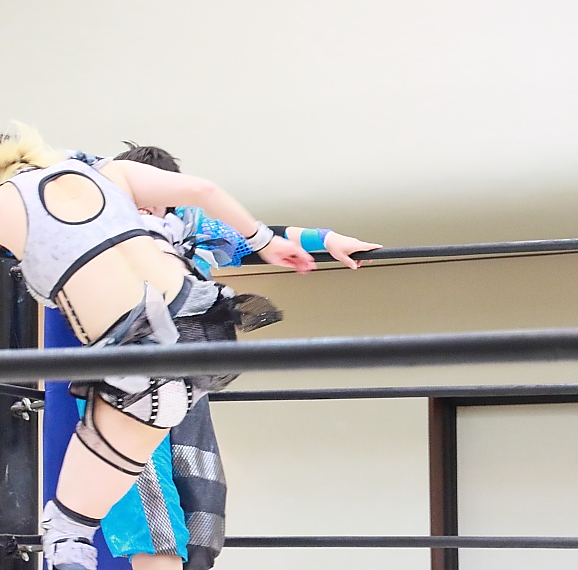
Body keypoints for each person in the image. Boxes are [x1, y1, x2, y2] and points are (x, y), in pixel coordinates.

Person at [0, 124, 315, 570]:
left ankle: (70, 538)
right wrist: (266, 242)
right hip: (203, 330)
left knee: (80, 513)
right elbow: (204, 189)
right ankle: (82, 532)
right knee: (134, 488)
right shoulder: (109, 175)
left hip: (134, 352)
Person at [68, 144, 381, 570]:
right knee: (144, 498)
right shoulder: (89, 225)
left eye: (154, 196)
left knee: (196, 496)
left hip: (186, 375)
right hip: (124, 374)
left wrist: (329, 240)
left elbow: (263, 236)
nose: (145, 204)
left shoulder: (190, 230)